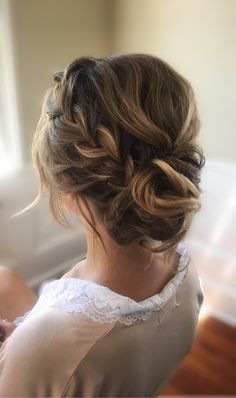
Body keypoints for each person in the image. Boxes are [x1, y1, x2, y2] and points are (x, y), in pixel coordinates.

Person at [0, 53, 205, 397]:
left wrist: (17, 359)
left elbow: (56, 358)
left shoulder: (42, 355)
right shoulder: (185, 270)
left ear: (66, 185)